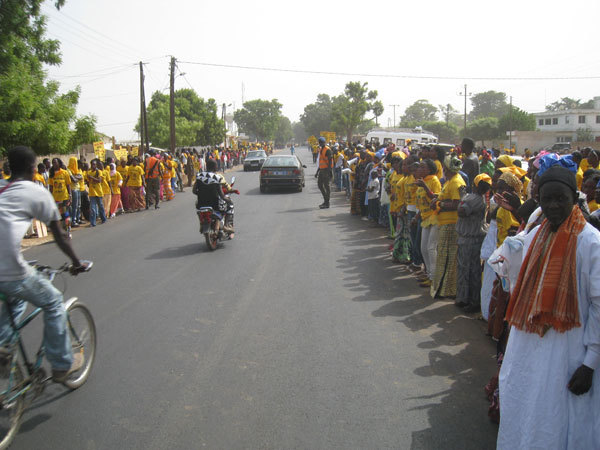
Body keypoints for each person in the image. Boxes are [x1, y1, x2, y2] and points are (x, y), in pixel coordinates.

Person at [498, 165, 600, 449]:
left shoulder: (591, 242)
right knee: (527, 408)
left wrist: (590, 363)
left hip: (569, 353)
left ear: (574, 198)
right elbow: (512, 263)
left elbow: (599, 307)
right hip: (529, 348)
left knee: (558, 419)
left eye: (561, 199)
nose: (554, 206)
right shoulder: (539, 234)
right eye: (547, 199)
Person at [0, 146, 89, 382]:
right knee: (52, 301)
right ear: (33, 169)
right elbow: (59, 235)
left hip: (7, 270)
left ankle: (4, 352)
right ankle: (61, 364)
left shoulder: (2, 186)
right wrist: (76, 262)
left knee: (14, 303)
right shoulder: (36, 192)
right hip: (8, 267)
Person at [431, 154, 466, 298]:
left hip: (451, 224)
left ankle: (447, 289)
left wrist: (440, 204)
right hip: (445, 223)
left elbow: (458, 204)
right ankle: (441, 287)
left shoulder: (456, 182)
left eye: (444, 167)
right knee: (443, 256)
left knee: (449, 257)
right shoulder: (449, 181)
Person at [455, 173, 491, 312]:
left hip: (471, 238)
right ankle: (465, 298)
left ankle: (471, 300)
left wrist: (462, 199)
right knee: (468, 270)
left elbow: (461, 211)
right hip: (469, 238)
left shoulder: (475, 199)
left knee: (470, 270)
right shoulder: (475, 198)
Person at [192, 158, 233, 233]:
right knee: (230, 205)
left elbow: (194, 191)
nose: (217, 167)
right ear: (214, 167)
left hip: (201, 203)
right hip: (215, 205)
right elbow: (222, 195)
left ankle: (201, 224)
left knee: (197, 208)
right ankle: (226, 226)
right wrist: (228, 200)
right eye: (216, 165)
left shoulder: (199, 176)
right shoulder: (217, 177)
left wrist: (202, 194)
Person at [85, 160, 107, 226]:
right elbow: (88, 182)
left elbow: (99, 180)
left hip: (98, 191)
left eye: (94, 164)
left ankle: (103, 218)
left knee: (100, 206)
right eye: (92, 164)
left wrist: (91, 178)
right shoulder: (89, 172)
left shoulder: (99, 172)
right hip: (92, 193)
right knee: (93, 208)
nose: (93, 166)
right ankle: (93, 222)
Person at [315, 136, 333, 209]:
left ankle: (327, 202)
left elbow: (330, 161)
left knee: (326, 186)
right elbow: (321, 162)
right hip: (322, 170)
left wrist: (330, 171)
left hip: (326, 170)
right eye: (320, 142)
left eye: (321, 142)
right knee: (319, 185)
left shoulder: (327, 150)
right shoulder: (321, 149)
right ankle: (325, 200)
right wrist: (317, 172)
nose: (320, 143)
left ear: (324, 142)